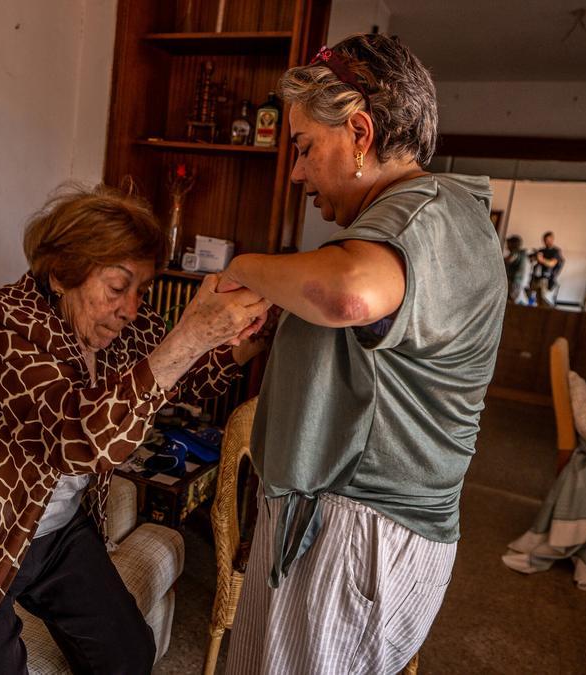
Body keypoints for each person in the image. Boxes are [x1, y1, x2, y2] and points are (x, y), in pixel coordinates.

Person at [0, 184, 271, 675]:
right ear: (63, 273)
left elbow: (185, 377)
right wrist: (189, 333)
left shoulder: (123, 323)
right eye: (117, 286)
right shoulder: (5, 323)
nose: (131, 308)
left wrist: (243, 342)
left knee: (128, 656)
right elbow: (81, 440)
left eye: (141, 291)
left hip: (53, 529)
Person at [215, 34, 505, 674]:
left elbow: (348, 296)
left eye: (305, 148)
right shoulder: (428, 218)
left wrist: (244, 267)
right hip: (345, 523)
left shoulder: (420, 217)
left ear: (361, 133)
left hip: (355, 529)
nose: (295, 172)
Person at [528, 231, 564, 306]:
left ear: (552, 239)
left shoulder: (556, 251)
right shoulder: (542, 250)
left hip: (546, 279)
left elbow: (552, 263)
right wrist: (534, 257)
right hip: (536, 278)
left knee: (543, 300)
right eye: (544, 240)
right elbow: (532, 259)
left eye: (548, 240)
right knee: (533, 299)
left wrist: (541, 259)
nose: (546, 242)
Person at [505, 234, 531, 304]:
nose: (507, 246)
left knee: (512, 303)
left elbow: (507, 261)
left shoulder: (515, 253)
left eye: (508, 244)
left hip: (515, 282)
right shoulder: (524, 254)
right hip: (522, 283)